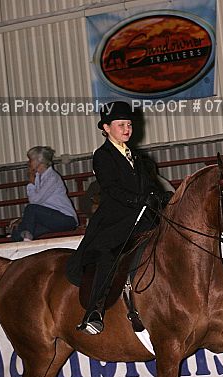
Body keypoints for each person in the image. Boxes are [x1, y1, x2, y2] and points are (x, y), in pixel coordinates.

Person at [66, 101, 166, 335]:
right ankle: (95, 310)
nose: (127, 129)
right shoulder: (102, 156)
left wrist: (162, 197)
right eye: (121, 125)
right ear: (106, 128)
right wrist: (140, 200)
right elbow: (111, 189)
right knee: (108, 255)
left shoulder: (137, 157)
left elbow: (150, 186)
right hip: (115, 220)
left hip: (143, 216)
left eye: (129, 124)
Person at [12, 146, 78, 241]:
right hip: (50, 219)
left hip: (65, 219)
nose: (28, 163)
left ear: (39, 161)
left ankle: (27, 239)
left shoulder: (52, 177)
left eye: (31, 160)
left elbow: (34, 201)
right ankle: (26, 238)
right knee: (17, 234)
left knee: (31, 209)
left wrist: (31, 182)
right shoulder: (39, 177)